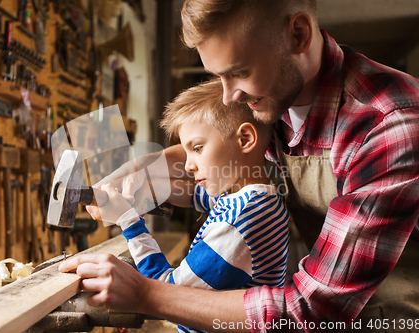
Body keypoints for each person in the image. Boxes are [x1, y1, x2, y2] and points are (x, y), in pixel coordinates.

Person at [60, 0, 419, 331]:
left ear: (298, 34)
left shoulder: (387, 125)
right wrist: (144, 174)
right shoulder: (274, 101)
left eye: (239, 72)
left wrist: (145, 294)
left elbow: (311, 309)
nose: (228, 95)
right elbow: (222, 179)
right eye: (218, 75)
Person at [90, 78, 290, 333]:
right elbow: (193, 194)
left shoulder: (244, 219)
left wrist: (128, 220)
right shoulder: (249, 198)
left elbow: (168, 292)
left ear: (245, 139)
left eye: (197, 148)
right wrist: (143, 187)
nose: (188, 165)